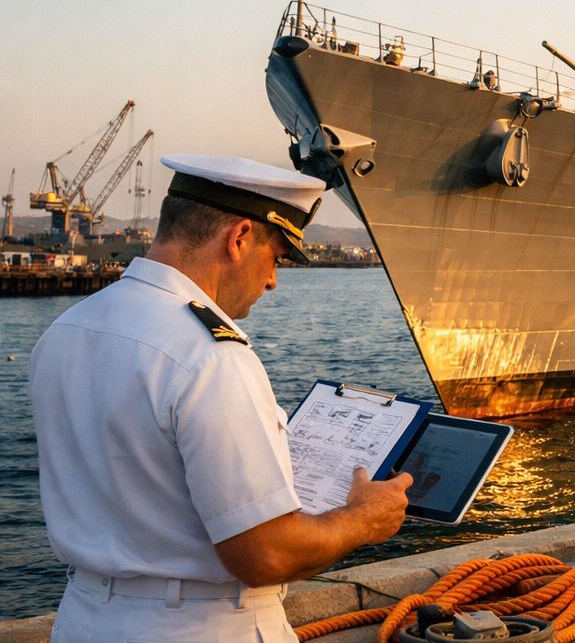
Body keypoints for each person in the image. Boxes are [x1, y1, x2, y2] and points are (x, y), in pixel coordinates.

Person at [29, 154, 414, 643]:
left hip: (85, 619)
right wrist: (363, 518)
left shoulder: (69, 329)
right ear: (238, 239)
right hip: (201, 627)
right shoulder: (209, 355)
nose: (273, 280)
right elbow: (265, 555)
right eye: (276, 257)